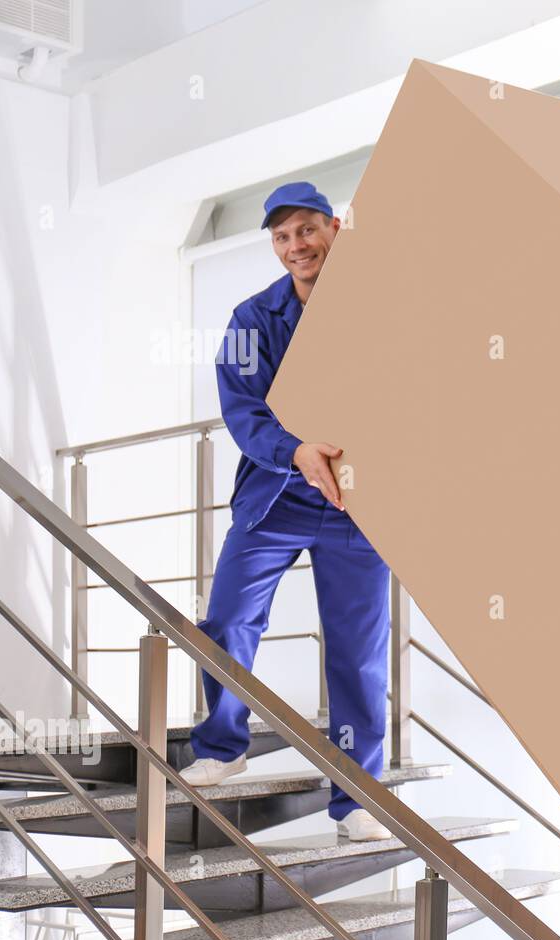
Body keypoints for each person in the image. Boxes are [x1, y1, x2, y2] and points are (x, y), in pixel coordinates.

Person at [178, 181, 394, 842]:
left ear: (334, 227)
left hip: (357, 503)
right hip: (277, 492)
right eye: (281, 237)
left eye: (304, 230)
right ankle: (221, 745)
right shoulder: (252, 318)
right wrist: (295, 451)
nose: (294, 246)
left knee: (359, 653)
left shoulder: (379, 306)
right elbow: (242, 410)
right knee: (228, 617)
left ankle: (357, 796)